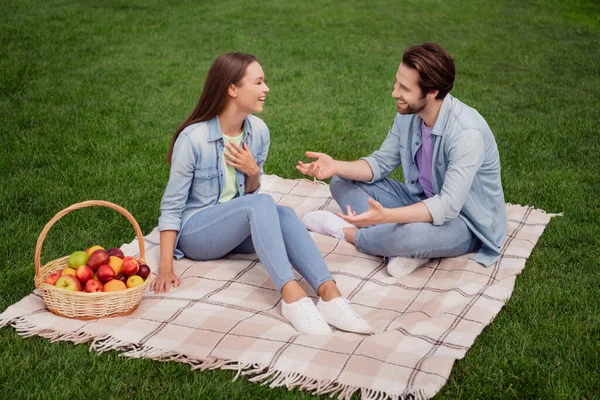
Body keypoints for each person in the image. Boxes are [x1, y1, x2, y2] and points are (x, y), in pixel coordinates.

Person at [151, 52, 372, 335]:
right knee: (262, 204)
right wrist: (166, 267)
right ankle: (291, 295)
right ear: (232, 89)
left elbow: (252, 193)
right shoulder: (193, 139)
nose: (266, 89)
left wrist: (253, 172)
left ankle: (329, 293)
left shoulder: (258, 131)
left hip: (235, 231)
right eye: (258, 82)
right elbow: (171, 208)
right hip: (197, 233)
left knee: (284, 213)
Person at [298, 43, 507, 278]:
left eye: (404, 88)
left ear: (432, 92)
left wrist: (388, 216)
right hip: (420, 201)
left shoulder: (466, 133)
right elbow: (380, 163)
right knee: (342, 181)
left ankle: (349, 234)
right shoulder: (409, 116)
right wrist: (336, 165)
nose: (394, 93)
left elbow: (447, 206)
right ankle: (400, 248)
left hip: (465, 223)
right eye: (397, 83)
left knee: (412, 235)